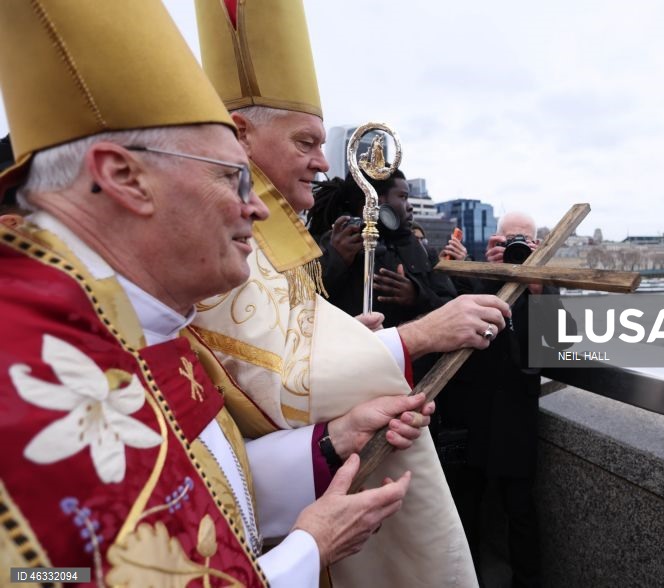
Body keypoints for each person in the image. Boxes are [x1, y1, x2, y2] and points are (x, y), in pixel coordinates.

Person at [0, 3, 441, 586]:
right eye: (231, 177)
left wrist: (331, 443)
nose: (257, 208)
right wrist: (309, 550)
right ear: (124, 176)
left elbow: (197, 478)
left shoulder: (144, 323)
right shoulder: (25, 372)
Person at [191, 1, 509, 586]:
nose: (321, 162)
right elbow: (274, 379)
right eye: (305, 142)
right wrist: (420, 335)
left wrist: (338, 412)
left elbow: (283, 345)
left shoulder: (264, 228)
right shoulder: (210, 240)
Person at [437, 212, 574, 587]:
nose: (516, 246)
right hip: (473, 411)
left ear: (537, 246)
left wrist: (537, 287)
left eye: (524, 240)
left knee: (521, 510)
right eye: (509, 240)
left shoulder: (543, 284)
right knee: (467, 507)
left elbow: (565, 343)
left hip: (517, 413)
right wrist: (473, 270)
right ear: (493, 243)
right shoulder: (477, 275)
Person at [308, 170, 458, 329]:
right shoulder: (331, 243)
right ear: (375, 200)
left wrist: (416, 296)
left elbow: (451, 306)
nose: (410, 207)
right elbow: (297, 303)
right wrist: (336, 259)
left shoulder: (422, 250)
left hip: (408, 351)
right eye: (403, 197)